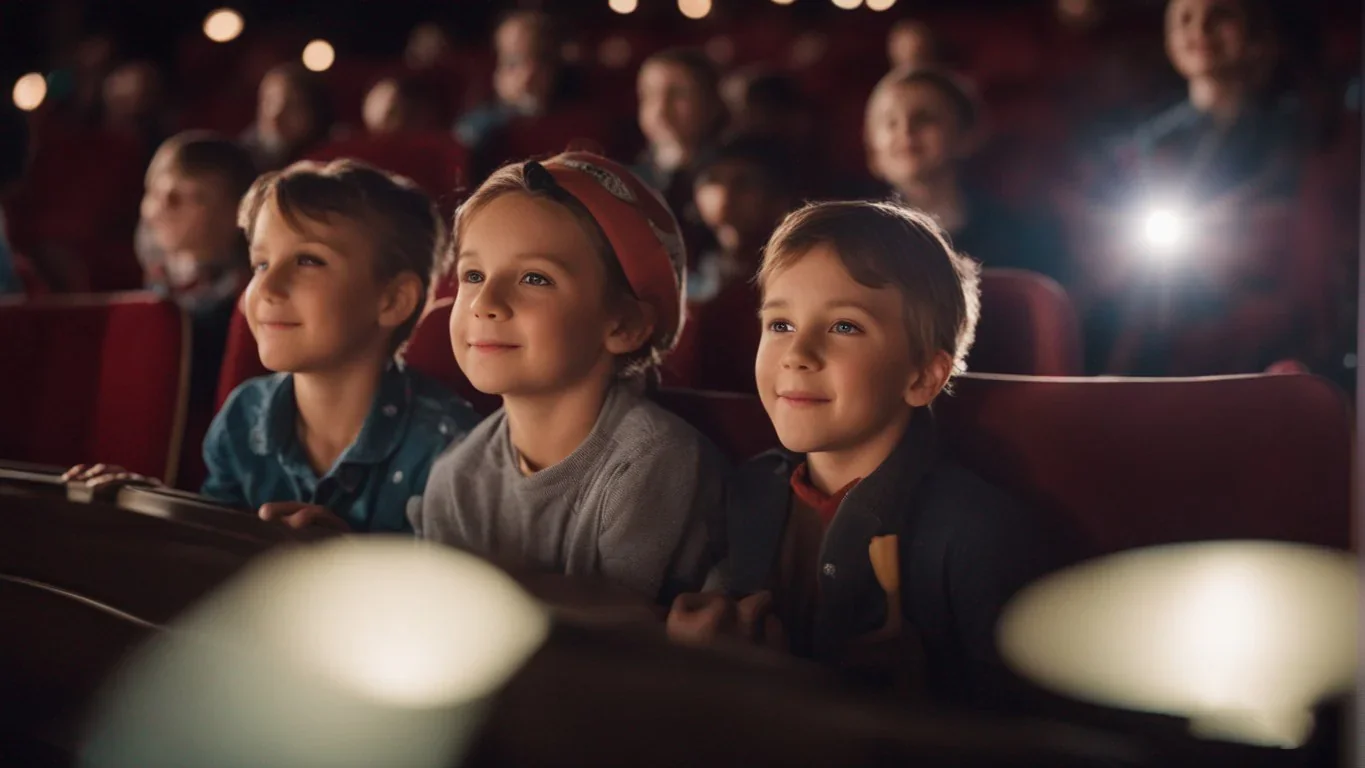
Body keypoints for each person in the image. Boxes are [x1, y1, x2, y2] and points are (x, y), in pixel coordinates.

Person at [667, 201, 1081, 708]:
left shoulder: (980, 535)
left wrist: (927, 698)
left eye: (844, 326)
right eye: (780, 325)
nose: (798, 353)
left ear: (922, 376)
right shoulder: (744, 490)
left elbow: (1036, 730)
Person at [67, 160, 482, 533]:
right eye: (261, 264)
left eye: (308, 261)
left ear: (392, 300)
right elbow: (213, 552)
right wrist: (155, 508)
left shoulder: (449, 447)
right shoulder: (243, 417)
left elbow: (455, 597)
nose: (264, 286)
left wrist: (350, 561)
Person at [412, 152, 727, 603]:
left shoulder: (655, 463)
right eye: (474, 274)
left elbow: (614, 651)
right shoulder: (455, 477)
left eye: (535, 278)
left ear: (624, 325)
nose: (486, 301)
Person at [1083, 0, 1310, 374]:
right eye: (1185, 20)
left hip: (1254, 301)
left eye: (1220, 16)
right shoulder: (1154, 138)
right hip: (1170, 300)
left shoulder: (1291, 129)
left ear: (1255, 34)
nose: (1200, 32)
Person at [865, 67, 1072, 285]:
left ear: (966, 135)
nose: (906, 130)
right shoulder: (861, 241)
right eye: (890, 122)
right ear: (872, 151)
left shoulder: (1014, 236)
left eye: (924, 118)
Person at [136, 131, 258, 416]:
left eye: (189, 196)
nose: (163, 207)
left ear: (237, 214)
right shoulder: (155, 282)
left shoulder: (242, 302)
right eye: (155, 193)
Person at [664, 135, 795, 392]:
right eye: (713, 180)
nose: (726, 194)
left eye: (744, 183)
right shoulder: (681, 267)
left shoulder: (790, 280)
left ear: (778, 199)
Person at [634, 48, 728, 264]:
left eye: (680, 95)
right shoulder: (626, 179)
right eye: (649, 95)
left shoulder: (732, 176)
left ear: (712, 103)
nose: (661, 108)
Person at [240, 63, 334, 173]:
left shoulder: (330, 164)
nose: (275, 115)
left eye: (291, 106)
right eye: (269, 102)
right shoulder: (239, 165)